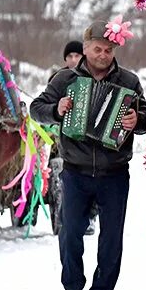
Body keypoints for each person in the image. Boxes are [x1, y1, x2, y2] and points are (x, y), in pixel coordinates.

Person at [30, 18, 146, 290]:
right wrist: (56, 111)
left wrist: (138, 121)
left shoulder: (129, 82)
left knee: (112, 238)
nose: (103, 55)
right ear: (85, 49)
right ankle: (73, 287)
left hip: (115, 172)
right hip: (75, 171)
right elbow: (36, 109)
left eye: (108, 50)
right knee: (70, 232)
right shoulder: (64, 80)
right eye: (98, 49)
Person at [46, 40, 98, 236]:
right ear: (65, 59)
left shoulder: (94, 77)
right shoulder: (57, 80)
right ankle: (65, 217)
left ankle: (91, 216)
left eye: (77, 56)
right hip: (61, 139)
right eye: (70, 57)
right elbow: (46, 108)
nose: (74, 59)